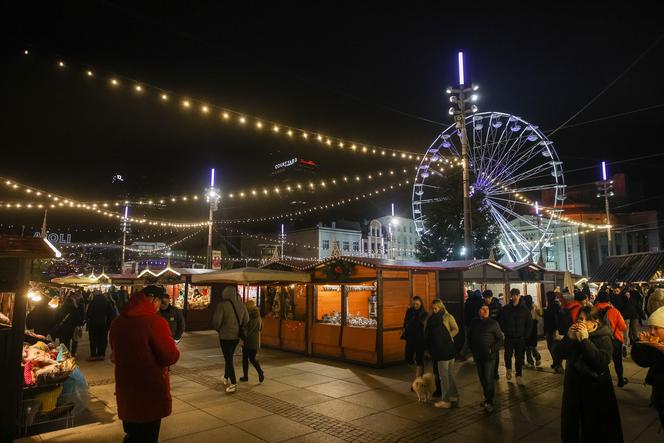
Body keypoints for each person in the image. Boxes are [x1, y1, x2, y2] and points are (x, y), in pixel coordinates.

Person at [110, 285, 180, 443]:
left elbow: (114, 351)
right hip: (150, 390)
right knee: (148, 435)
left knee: (132, 433)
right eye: (159, 301)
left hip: (126, 387)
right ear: (154, 300)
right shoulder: (155, 322)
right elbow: (169, 356)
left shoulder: (118, 321)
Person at [555, 305, 623, 443]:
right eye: (580, 319)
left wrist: (585, 341)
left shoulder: (604, 337)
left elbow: (601, 362)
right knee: (574, 428)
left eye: (586, 320)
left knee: (595, 430)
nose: (582, 322)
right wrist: (568, 337)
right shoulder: (575, 335)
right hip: (574, 391)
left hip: (595, 392)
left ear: (595, 322)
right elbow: (560, 354)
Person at [632, 306, 664, 430]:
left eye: (656, 328)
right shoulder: (656, 343)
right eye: (650, 327)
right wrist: (640, 344)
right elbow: (643, 362)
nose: (652, 332)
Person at [212, 286, 249, 393]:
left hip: (225, 336)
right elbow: (246, 319)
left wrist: (219, 329)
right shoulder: (242, 305)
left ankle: (233, 383)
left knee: (228, 359)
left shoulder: (222, 305)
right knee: (229, 357)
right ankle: (225, 376)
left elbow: (216, 322)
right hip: (236, 337)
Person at [469, 305, 504, 413]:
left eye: (487, 309)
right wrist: (472, 349)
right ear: (478, 311)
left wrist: (492, 349)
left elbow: (500, 339)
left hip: (489, 357)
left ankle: (489, 401)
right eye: (483, 309)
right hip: (478, 356)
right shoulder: (474, 323)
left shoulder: (493, 323)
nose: (485, 311)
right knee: (482, 379)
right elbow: (469, 337)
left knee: (489, 379)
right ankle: (487, 398)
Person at [425, 299, 459, 409]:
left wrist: (447, 337)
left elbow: (455, 329)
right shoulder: (436, 318)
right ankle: (454, 397)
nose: (434, 310)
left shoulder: (444, 318)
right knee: (449, 375)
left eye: (436, 308)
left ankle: (446, 400)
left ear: (441, 307)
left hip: (442, 350)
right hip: (449, 350)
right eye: (433, 308)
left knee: (444, 377)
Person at [594, 290, 629, 387]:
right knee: (617, 360)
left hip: (598, 339)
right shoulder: (614, 311)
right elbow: (623, 327)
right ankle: (620, 379)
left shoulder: (593, 310)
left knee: (601, 360)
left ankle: (602, 380)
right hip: (615, 340)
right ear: (609, 300)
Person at [499, 288, 532, 384]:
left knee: (519, 357)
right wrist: (505, 330)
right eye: (513, 295)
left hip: (520, 337)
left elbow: (529, 323)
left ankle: (519, 374)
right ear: (511, 296)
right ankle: (508, 370)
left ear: (519, 295)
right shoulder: (506, 309)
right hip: (509, 337)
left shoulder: (524, 309)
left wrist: (526, 335)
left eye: (516, 295)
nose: (514, 297)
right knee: (507, 355)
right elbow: (501, 321)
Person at [402, 296, 428, 379]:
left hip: (420, 339)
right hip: (410, 338)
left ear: (421, 303)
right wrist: (404, 328)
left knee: (419, 359)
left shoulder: (424, 313)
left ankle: (418, 378)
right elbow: (405, 321)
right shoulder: (409, 311)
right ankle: (418, 373)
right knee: (408, 358)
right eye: (414, 304)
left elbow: (425, 327)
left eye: (417, 304)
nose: (415, 305)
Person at [86, 290, 116, 361]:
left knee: (93, 339)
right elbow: (111, 314)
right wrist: (108, 324)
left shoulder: (93, 302)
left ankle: (93, 355)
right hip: (104, 324)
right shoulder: (107, 302)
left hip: (93, 324)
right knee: (103, 339)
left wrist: (88, 323)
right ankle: (101, 354)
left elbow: (89, 313)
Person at [239, 300, 264, 383]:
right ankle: (259, 372)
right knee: (252, 358)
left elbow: (245, 329)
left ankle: (246, 376)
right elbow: (261, 328)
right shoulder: (258, 316)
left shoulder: (247, 317)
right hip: (256, 341)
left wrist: (242, 336)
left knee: (245, 359)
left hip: (247, 341)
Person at [483, 289, 502, 379]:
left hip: (495, 331)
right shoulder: (482, 306)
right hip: (485, 332)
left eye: (488, 298)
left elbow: (501, 318)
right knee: (486, 351)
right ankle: (488, 372)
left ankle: (495, 372)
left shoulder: (497, 306)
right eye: (485, 298)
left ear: (491, 297)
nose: (486, 300)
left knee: (495, 352)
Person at [543, 291, 564, 372]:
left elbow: (553, 317)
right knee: (551, 347)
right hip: (550, 329)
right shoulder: (552, 305)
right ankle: (556, 363)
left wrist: (544, 313)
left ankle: (558, 364)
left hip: (554, 329)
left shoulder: (555, 306)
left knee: (554, 347)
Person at [461, 289, 484, 359]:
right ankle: (473, 355)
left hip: (467, 323)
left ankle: (463, 354)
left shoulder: (468, 301)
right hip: (476, 324)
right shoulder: (480, 302)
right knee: (476, 339)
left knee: (468, 339)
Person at [523, 295, 542, 368]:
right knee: (531, 345)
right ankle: (537, 359)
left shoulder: (525, 307)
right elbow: (540, 314)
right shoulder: (535, 306)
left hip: (528, 326)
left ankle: (532, 361)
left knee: (528, 345)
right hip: (534, 325)